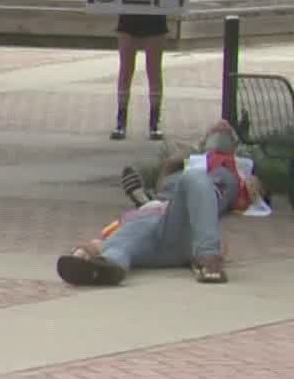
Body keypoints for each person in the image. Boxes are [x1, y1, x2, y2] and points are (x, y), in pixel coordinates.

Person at [57, 121, 264, 287]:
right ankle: (105, 268)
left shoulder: (233, 172)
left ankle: (209, 260)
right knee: (122, 242)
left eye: (225, 133)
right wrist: (175, 162)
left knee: (195, 179)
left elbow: (242, 198)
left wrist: (253, 186)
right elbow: (161, 186)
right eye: (215, 132)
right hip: (148, 225)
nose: (219, 135)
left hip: (180, 225)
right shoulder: (182, 165)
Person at [112, 0, 169, 142]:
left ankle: (154, 122)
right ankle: (120, 120)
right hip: (129, 19)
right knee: (126, 70)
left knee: (153, 70)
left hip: (154, 19)